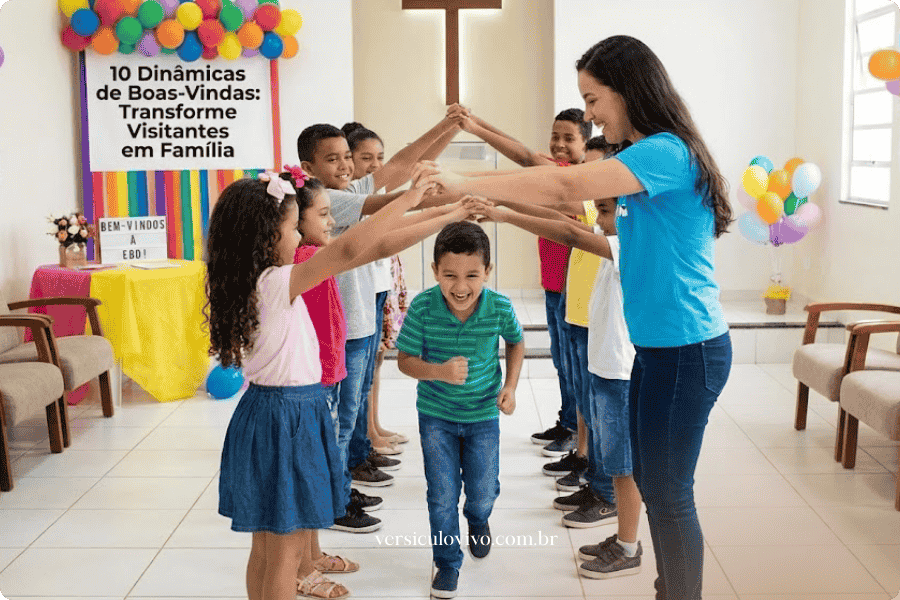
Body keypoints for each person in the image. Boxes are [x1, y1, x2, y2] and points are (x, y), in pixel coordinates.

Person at [416, 34, 734, 600]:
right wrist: (498, 205)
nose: (588, 114)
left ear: (628, 90)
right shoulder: (646, 157)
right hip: (664, 350)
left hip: (688, 351)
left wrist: (464, 180)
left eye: (593, 99)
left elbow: (564, 183)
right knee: (658, 486)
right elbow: (575, 218)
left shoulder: (665, 153)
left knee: (670, 490)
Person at [207, 167, 444, 600]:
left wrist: (442, 213)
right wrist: (409, 200)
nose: (299, 237)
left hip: (265, 413)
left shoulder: (251, 280)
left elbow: (365, 248)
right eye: (291, 226)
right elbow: (355, 245)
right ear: (267, 236)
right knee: (284, 552)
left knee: (265, 547)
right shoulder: (278, 282)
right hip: (288, 418)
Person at [296, 120, 461, 525]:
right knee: (342, 418)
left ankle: (338, 489)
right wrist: (432, 199)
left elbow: (401, 163)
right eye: (332, 159)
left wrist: (447, 127)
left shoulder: (347, 189)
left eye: (346, 157)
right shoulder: (329, 199)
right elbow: (387, 207)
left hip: (358, 318)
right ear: (309, 166)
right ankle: (333, 500)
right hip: (345, 327)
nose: (346, 166)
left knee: (349, 413)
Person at [471, 195, 643, 579]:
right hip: (606, 365)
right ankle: (623, 538)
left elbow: (567, 231)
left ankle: (629, 546)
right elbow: (560, 219)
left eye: (605, 211)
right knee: (616, 462)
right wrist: (508, 205)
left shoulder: (629, 242)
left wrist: (502, 212)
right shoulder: (616, 235)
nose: (596, 220)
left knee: (624, 465)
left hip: (620, 372)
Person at [396, 221, 525, 599]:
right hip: (436, 415)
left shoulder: (499, 306)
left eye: (472, 275)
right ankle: (447, 562)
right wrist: (437, 371)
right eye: (449, 275)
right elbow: (404, 359)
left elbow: (516, 342)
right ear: (435, 271)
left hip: (484, 415)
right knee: (441, 494)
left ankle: (478, 517)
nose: (460, 286)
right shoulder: (422, 306)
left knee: (483, 491)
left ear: (488, 271)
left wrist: (510, 387)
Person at [459, 108, 592, 458]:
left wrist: (476, 126)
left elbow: (525, 155)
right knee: (563, 361)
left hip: (574, 289)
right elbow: (525, 154)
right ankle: (568, 422)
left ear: (586, 143)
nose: (559, 145)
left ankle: (579, 436)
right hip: (554, 285)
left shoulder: (579, 180)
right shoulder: (553, 173)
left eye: (569, 138)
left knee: (574, 364)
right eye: (556, 136)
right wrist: (478, 123)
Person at [341, 119, 460, 454]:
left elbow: (409, 165)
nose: (375, 165)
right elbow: (404, 171)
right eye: (365, 158)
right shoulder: (349, 197)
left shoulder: (367, 191)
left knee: (371, 368)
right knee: (355, 383)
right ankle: (360, 446)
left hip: (376, 289)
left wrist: (449, 130)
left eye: (379, 156)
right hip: (357, 298)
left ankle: (369, 432)